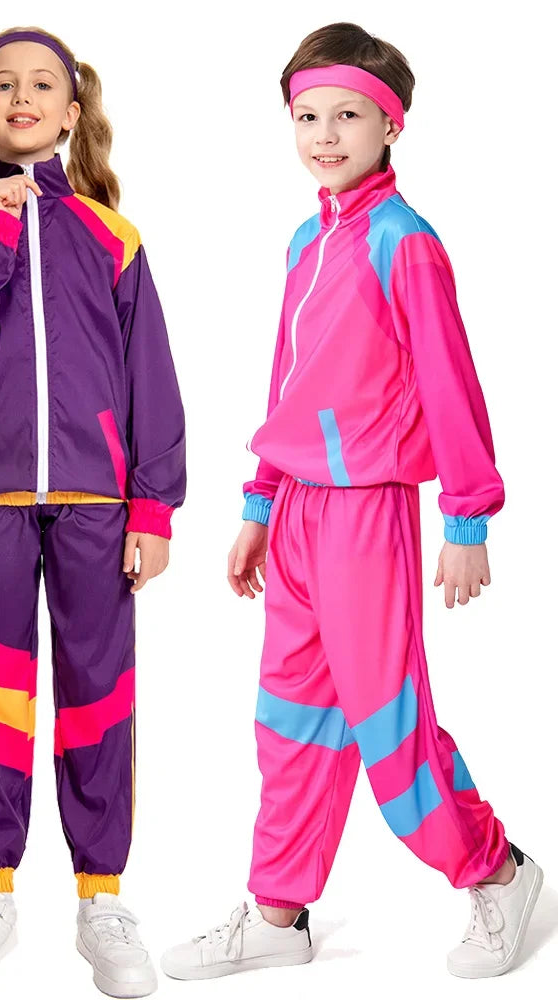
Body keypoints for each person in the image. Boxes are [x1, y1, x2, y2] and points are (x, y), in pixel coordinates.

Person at [161, 21, 542, 983]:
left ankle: (497, 873)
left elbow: (451, 384)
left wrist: (466, 517)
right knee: (289, 718)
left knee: (387, 723)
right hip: (296, 514)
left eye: (347, 116)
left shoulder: (405, 244)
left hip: (370, 515)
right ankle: (278, 911)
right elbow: (289, 380)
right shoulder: (306, 241)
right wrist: (259, 503)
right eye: (307, 117)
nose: (324, 135)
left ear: (390, 125)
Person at [0, 26, 185, 998]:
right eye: (3, 86)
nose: (22, 97)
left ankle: (101, 897)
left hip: (96, 501)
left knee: (97, 693)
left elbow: (150, 375)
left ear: (72, 112)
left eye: (42, 85)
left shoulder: (114, 237)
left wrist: (152, 506)